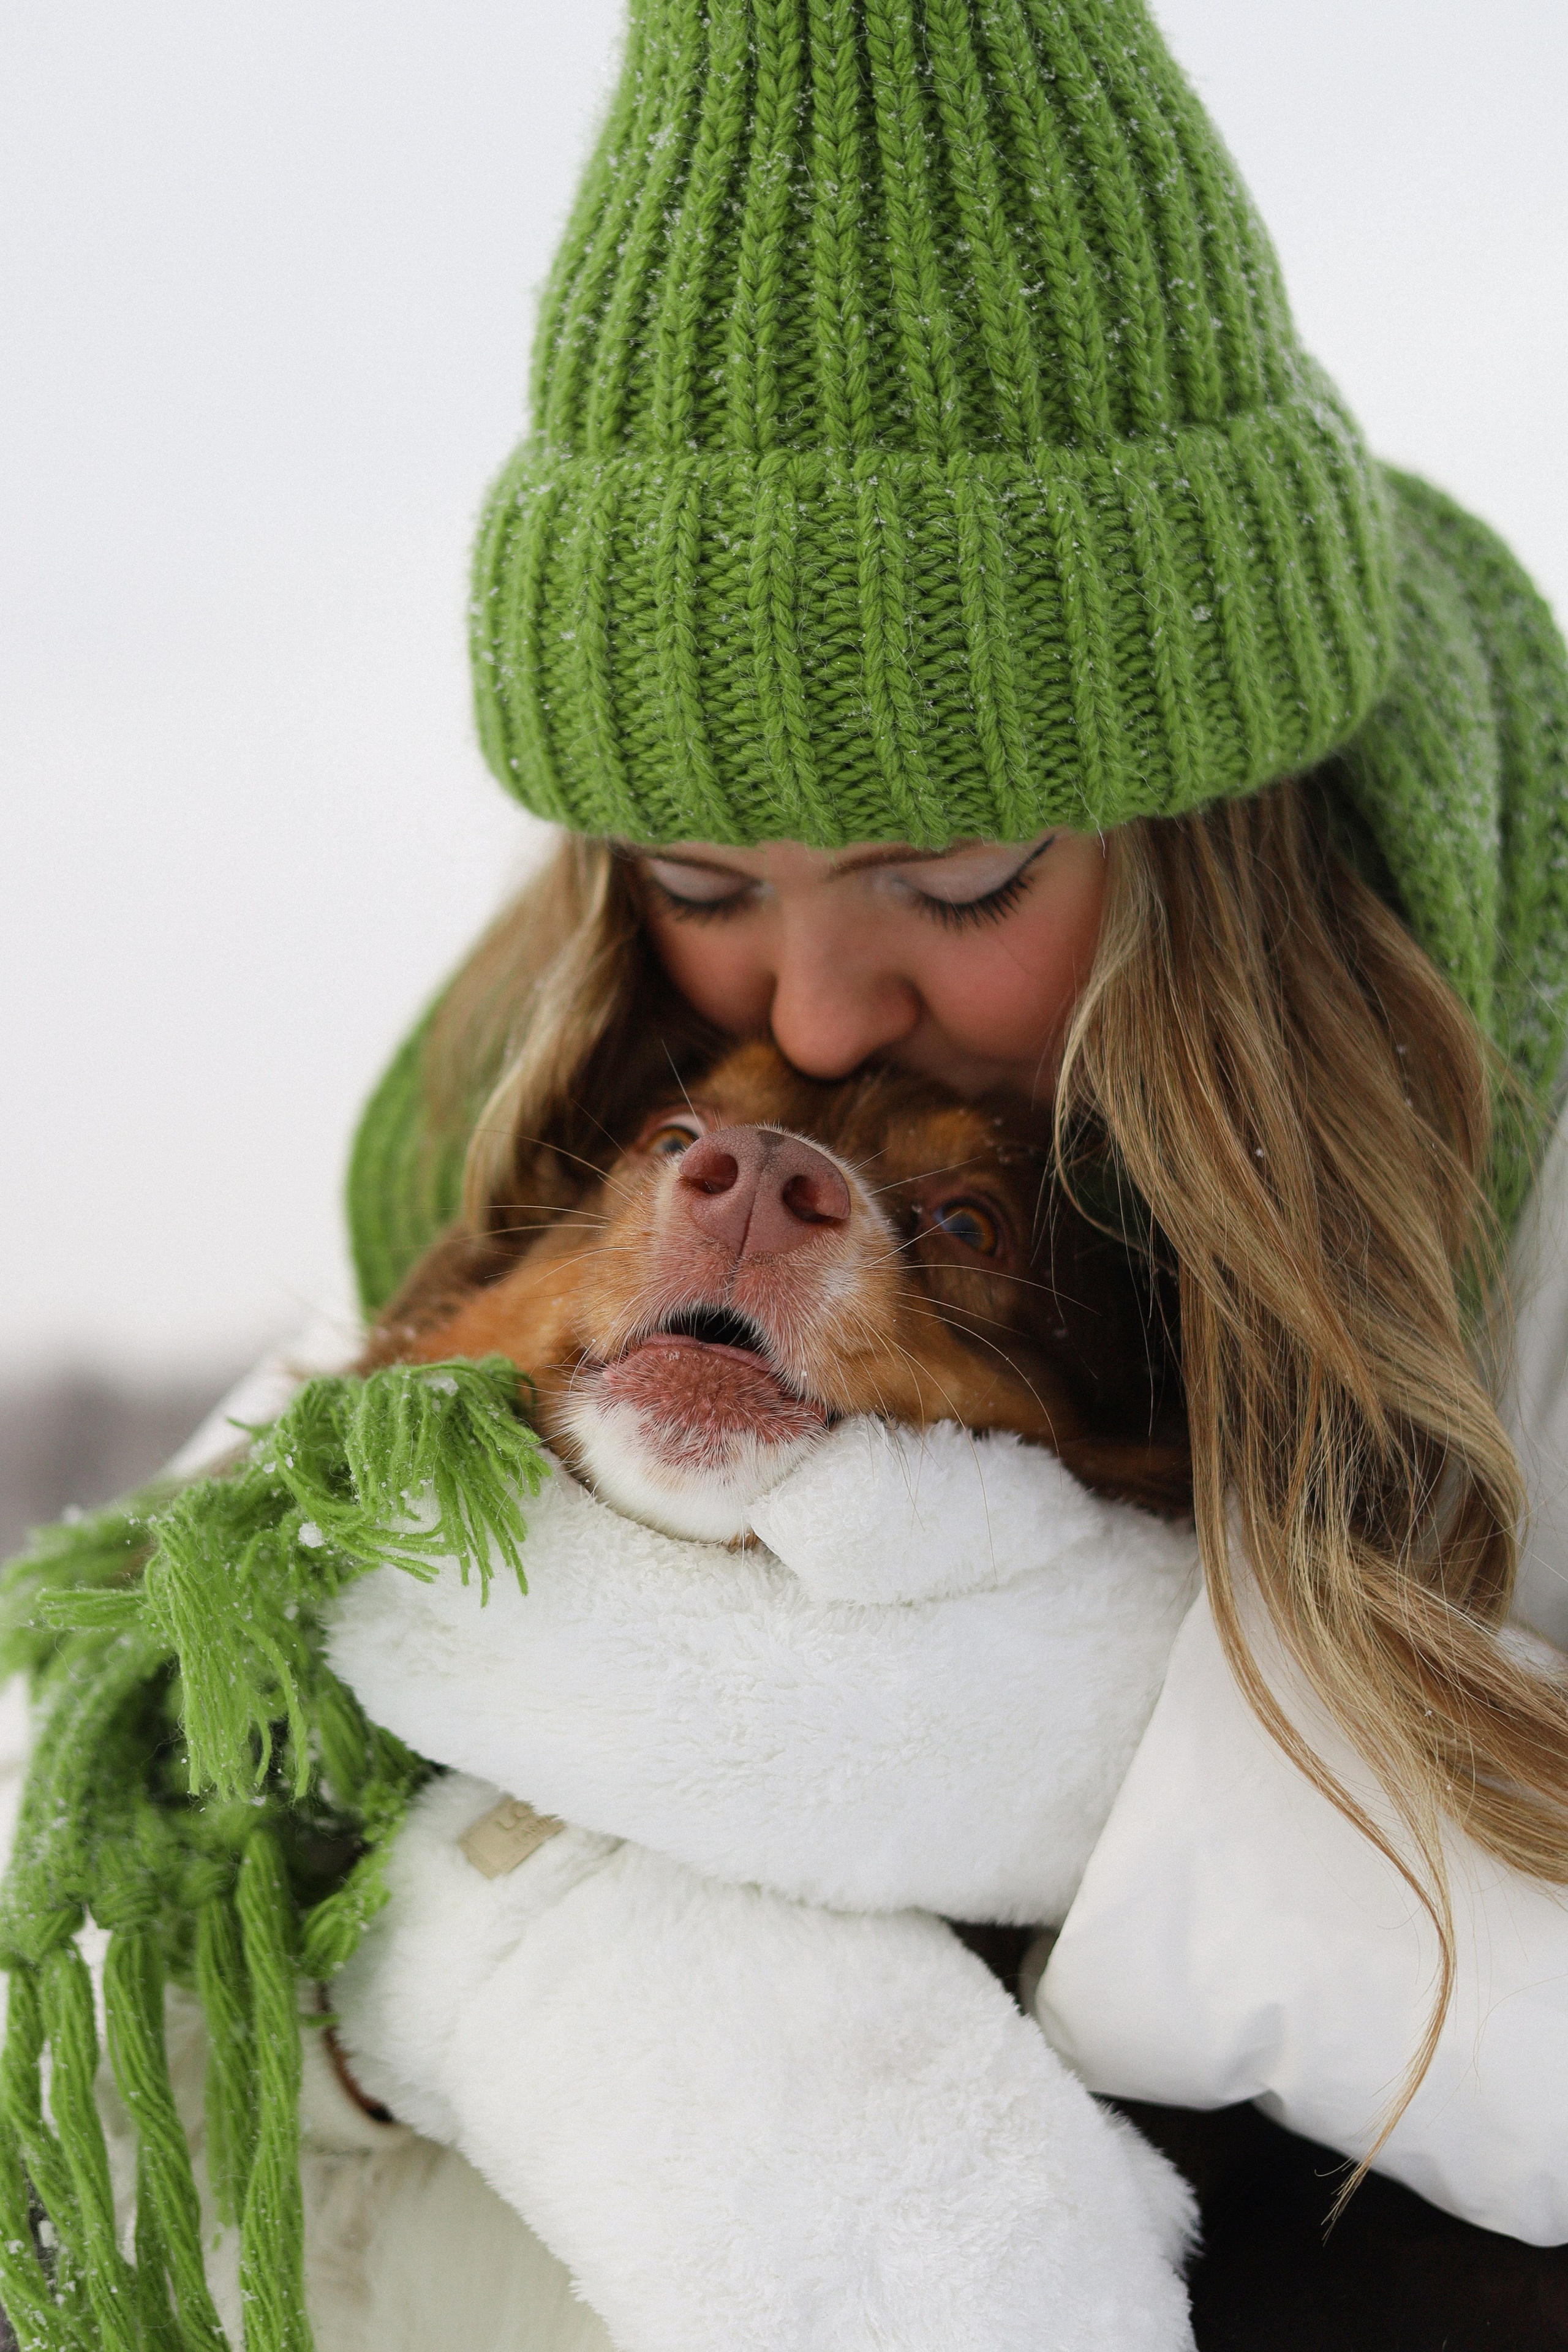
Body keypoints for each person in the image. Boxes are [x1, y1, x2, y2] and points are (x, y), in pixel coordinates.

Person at [4, 2, 1567, 2347]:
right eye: (697, 866)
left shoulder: (1522, 1180)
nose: (814, 1024)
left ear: (1205, 827)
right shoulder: (539, 1099)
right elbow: (93, 1859)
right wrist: (526, 1944)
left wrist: (1078, 1768)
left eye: (952, 884)